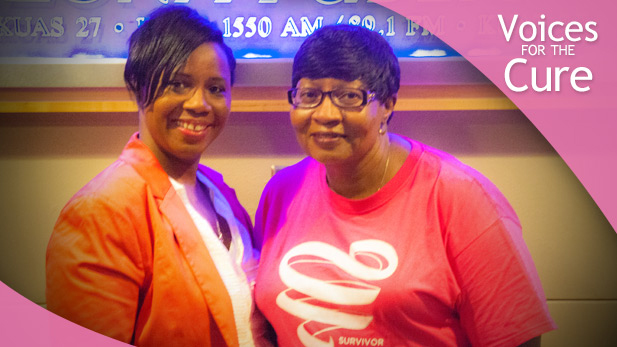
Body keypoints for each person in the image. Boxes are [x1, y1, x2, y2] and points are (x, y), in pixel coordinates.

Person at [253, 24, 557, 347]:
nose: (325, 114)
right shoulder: (281, 192)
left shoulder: (462, 197)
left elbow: (516, 339)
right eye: (309, 95)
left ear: (387, 104)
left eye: (349, 96)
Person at [46, 5, 271, 346]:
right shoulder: (101, 212)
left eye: (216, 88)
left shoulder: (218, 191)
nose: (200, 104)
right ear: (137, 86)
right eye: (179, 84)